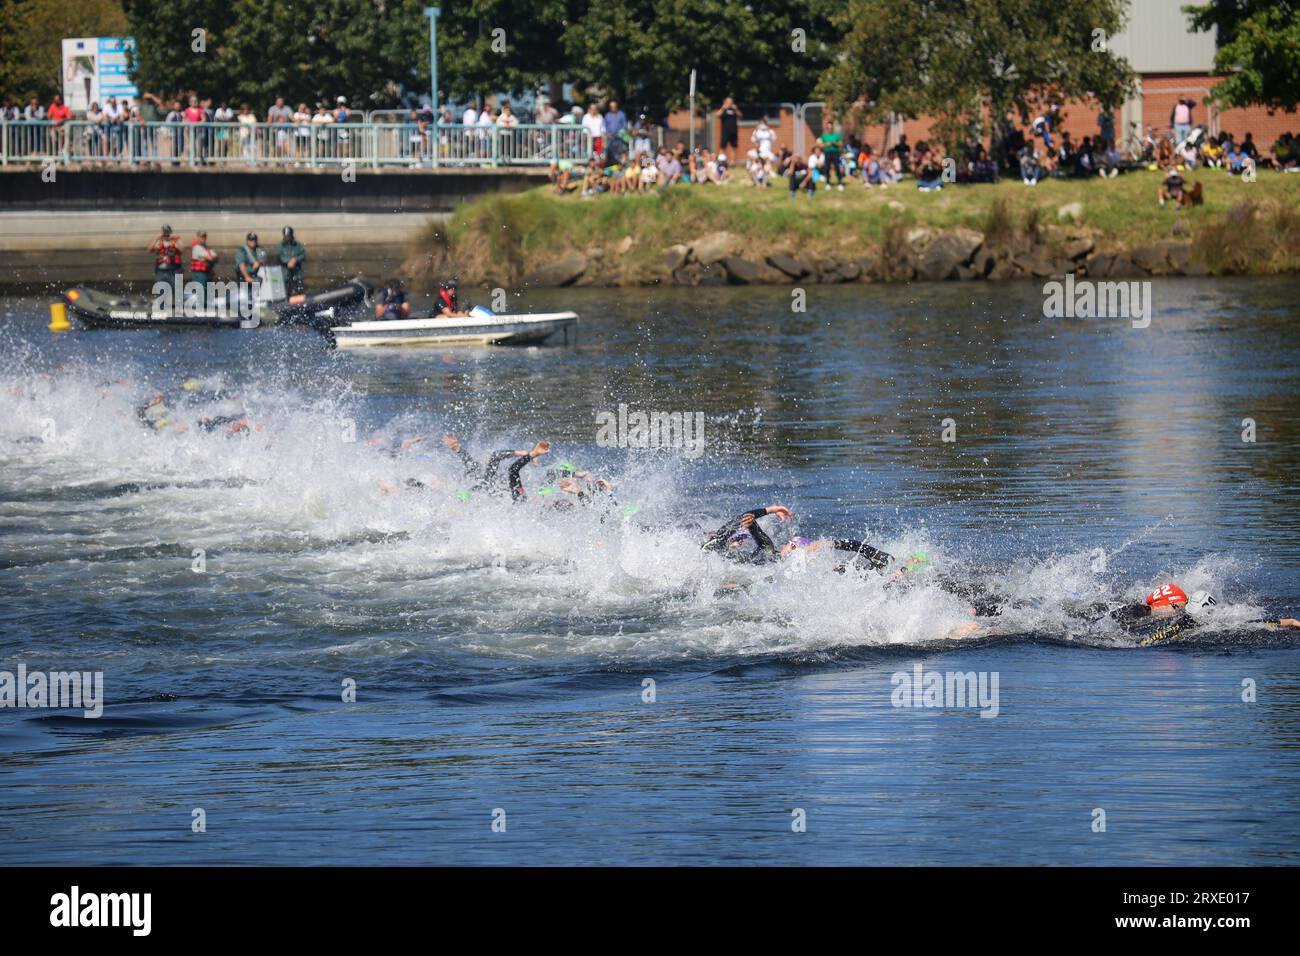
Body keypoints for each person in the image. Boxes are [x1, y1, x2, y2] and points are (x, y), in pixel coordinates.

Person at [1110, 584, 1299, 646]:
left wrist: (1290, 621)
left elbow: (1246, 622)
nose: (1179, 612)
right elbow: (1149, 641)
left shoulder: (1187, 620)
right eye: (1177, 608)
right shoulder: (1135, 612)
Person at [189, 230, 219, 306]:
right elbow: (211, 258)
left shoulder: (206, 248)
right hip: (199, 275)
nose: (204, 238)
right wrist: (210, 257)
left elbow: (216, 257)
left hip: (207, 273)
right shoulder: (197, 248)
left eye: (205, 236)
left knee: (208, 295)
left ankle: (206, 312)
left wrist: (210, 257)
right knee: (200, 295)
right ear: (198, 237)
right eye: (202, 237)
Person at [149, 225, 183, 291]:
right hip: (161, 271)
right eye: (165, 232)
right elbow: (150, 249)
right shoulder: (158, 242)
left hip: (174, 271)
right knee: (161, 292)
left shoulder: (175, 241)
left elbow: (182, 249)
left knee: (178, 293)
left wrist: (174, 239)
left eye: (168, 232)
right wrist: (156, 238)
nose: (166, 234)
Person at [277, 226, 307, 294]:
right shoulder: (280, 245)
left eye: (289, 235)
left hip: (297, 271)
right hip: (285, 272)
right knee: (286, 287)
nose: (287, 237)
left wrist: (295, 259)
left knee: (299, 285)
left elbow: (303, 255)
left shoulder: (297, 244)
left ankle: (299, 297)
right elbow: (279, 257)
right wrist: (289, 261)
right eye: (286, 236)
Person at [716, 97, 741, 165]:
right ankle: (721, 161)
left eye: (731, 102)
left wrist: (736, 109)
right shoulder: (723, 109)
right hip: (725, 131)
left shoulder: (734, 109)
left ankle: (732, 162)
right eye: (728, 102)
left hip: (734, 131)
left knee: (734, 147)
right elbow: (717, 115)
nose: (730, 103)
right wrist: (723, 108)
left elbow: (740, 115)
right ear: (725, 102)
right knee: (723, 146)